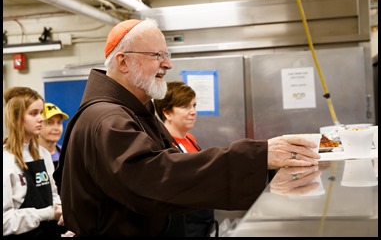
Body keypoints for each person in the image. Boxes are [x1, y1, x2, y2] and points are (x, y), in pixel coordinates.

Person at [53, 18, 321, 237]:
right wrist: (256, 156)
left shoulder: (132, 112)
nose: (168, 64)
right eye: (157, 55)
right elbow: (155, 178)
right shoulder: (107, 119)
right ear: (123, 62)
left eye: (167, 55)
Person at [154, 81, 218, 237]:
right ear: (167, 113)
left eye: (194, 105)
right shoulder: (164, 146)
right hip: (184, 226)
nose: (193, 112)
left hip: (203, 221)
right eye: (185, 107)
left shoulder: (189, 139)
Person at [3, 87, 63, 237]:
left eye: (41, 112)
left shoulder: (43, 154)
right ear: (16, 117)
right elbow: (5, 222)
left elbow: (53, 194)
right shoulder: (6, 159)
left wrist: (60, 212)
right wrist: (47, 213)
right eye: (33, 113)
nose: (41, 118)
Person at [39, 102, 69, 168]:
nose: (56, 128)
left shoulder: (67, 153)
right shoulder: (28, 156)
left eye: (59, 123)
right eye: (49, 123)